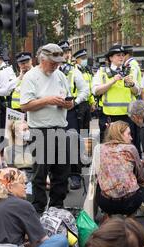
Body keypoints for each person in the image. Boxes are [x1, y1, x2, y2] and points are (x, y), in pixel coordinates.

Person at [20, 43, 74, 214]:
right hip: (40, 131)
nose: (56, 65)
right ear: (41, 60)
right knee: (40, 174)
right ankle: (38, 207)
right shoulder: (31, 76)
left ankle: (57, 206)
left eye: (58, 62)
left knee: (62, 172)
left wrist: (67, 103)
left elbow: (70, 103)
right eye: (52, 62)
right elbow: (24, 105)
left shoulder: (60, 75)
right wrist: (48, 100)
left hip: (60, 128)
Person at [91, 121, 144, 216]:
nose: (131, 138)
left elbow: (96, 173)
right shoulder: (130, 149)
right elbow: (139, 175)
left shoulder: (98, 148)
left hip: (106, 202)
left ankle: (108, 217)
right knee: (140, 185)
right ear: (119, 134)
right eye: (128, 134)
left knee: (102, 184)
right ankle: (130, 220)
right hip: (130, 202)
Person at [93, 45, 141, 151]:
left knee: (129, 146)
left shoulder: (130, 70)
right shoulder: (102, 72)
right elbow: (96, 91)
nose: (121, 57)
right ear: (111, 58)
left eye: (123, 55)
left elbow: (138, 91)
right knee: (109, 147)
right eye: (118, 55)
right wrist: (112, 81)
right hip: (109, 116)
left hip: (128, 116)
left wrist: (132, 84)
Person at [58, 41, 90, 190]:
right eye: (63, 51)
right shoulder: (49, 70)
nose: (66, 54)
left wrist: (75, 102)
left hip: (69, 112)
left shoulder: (73, 71)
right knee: (56, 144)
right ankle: (59, 177)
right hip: (53, 112)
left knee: (72, 143)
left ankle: (75, 175)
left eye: (67, 51)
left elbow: (85, 90)